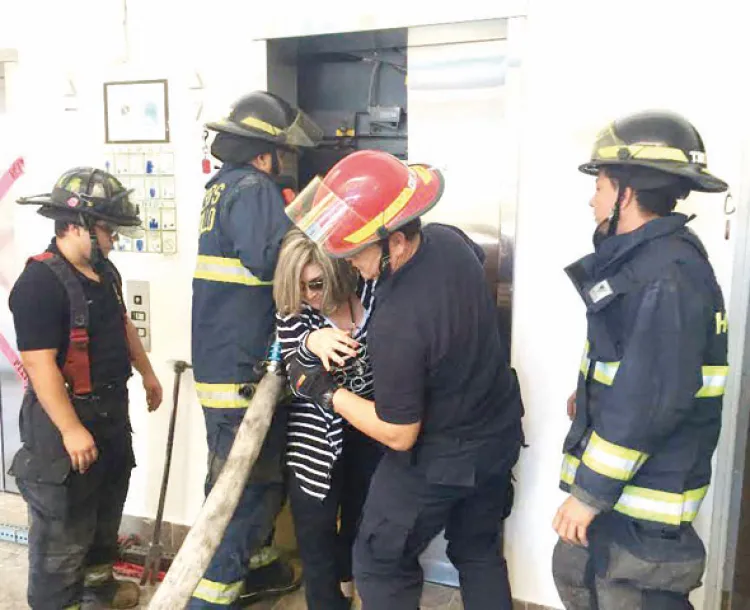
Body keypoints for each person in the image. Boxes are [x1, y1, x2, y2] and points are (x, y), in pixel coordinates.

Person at [283, 149, 525, 610]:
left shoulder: (399, 320)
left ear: (394, 241)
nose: (350, 264)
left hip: (440, 457)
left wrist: (324, 390)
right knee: (478, 553)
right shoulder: (449, 243)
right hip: (497, 437)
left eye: (356, 252)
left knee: (378, 563)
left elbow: (397, 432)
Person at [551, 110, 729, 609]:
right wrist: (587, 393)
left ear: (627, 193)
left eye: (602, 187)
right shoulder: (651, 264)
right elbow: (636, 365)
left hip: (645, 502)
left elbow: (650, 398)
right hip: (633, 495)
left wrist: (587, 495)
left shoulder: (666, 275)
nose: (593, 199)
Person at [7, 167, 163, 610]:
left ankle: (98, 590)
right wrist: (72, 430)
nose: (114, 238)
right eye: (107, 229)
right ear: (74, 226)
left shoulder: (104, 272)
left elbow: (122, 323)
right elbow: (39, 365)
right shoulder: (38, 283)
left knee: (103, 516)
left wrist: (147, 374)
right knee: (63, 536)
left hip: (110, 417)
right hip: (63, 429)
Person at [190, 90, 322, 608]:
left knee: (252, 482)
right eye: (281, 154)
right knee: (240, 495)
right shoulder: (254, 188)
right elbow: (278, 262)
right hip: (243, 372)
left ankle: (260, 569)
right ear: (264, 154)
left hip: (228, 365)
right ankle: (209, 599)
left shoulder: (222, 189)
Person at [273, 228, 383, 609]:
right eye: (300, 287)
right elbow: (294, 367)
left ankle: (350, 586)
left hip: (371, 433)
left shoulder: (372, 295)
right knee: (315, 537)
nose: (309, 296)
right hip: (315, 444)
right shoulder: (298, 316)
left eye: (316, 284)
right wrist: (311, 342)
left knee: (363, 525)